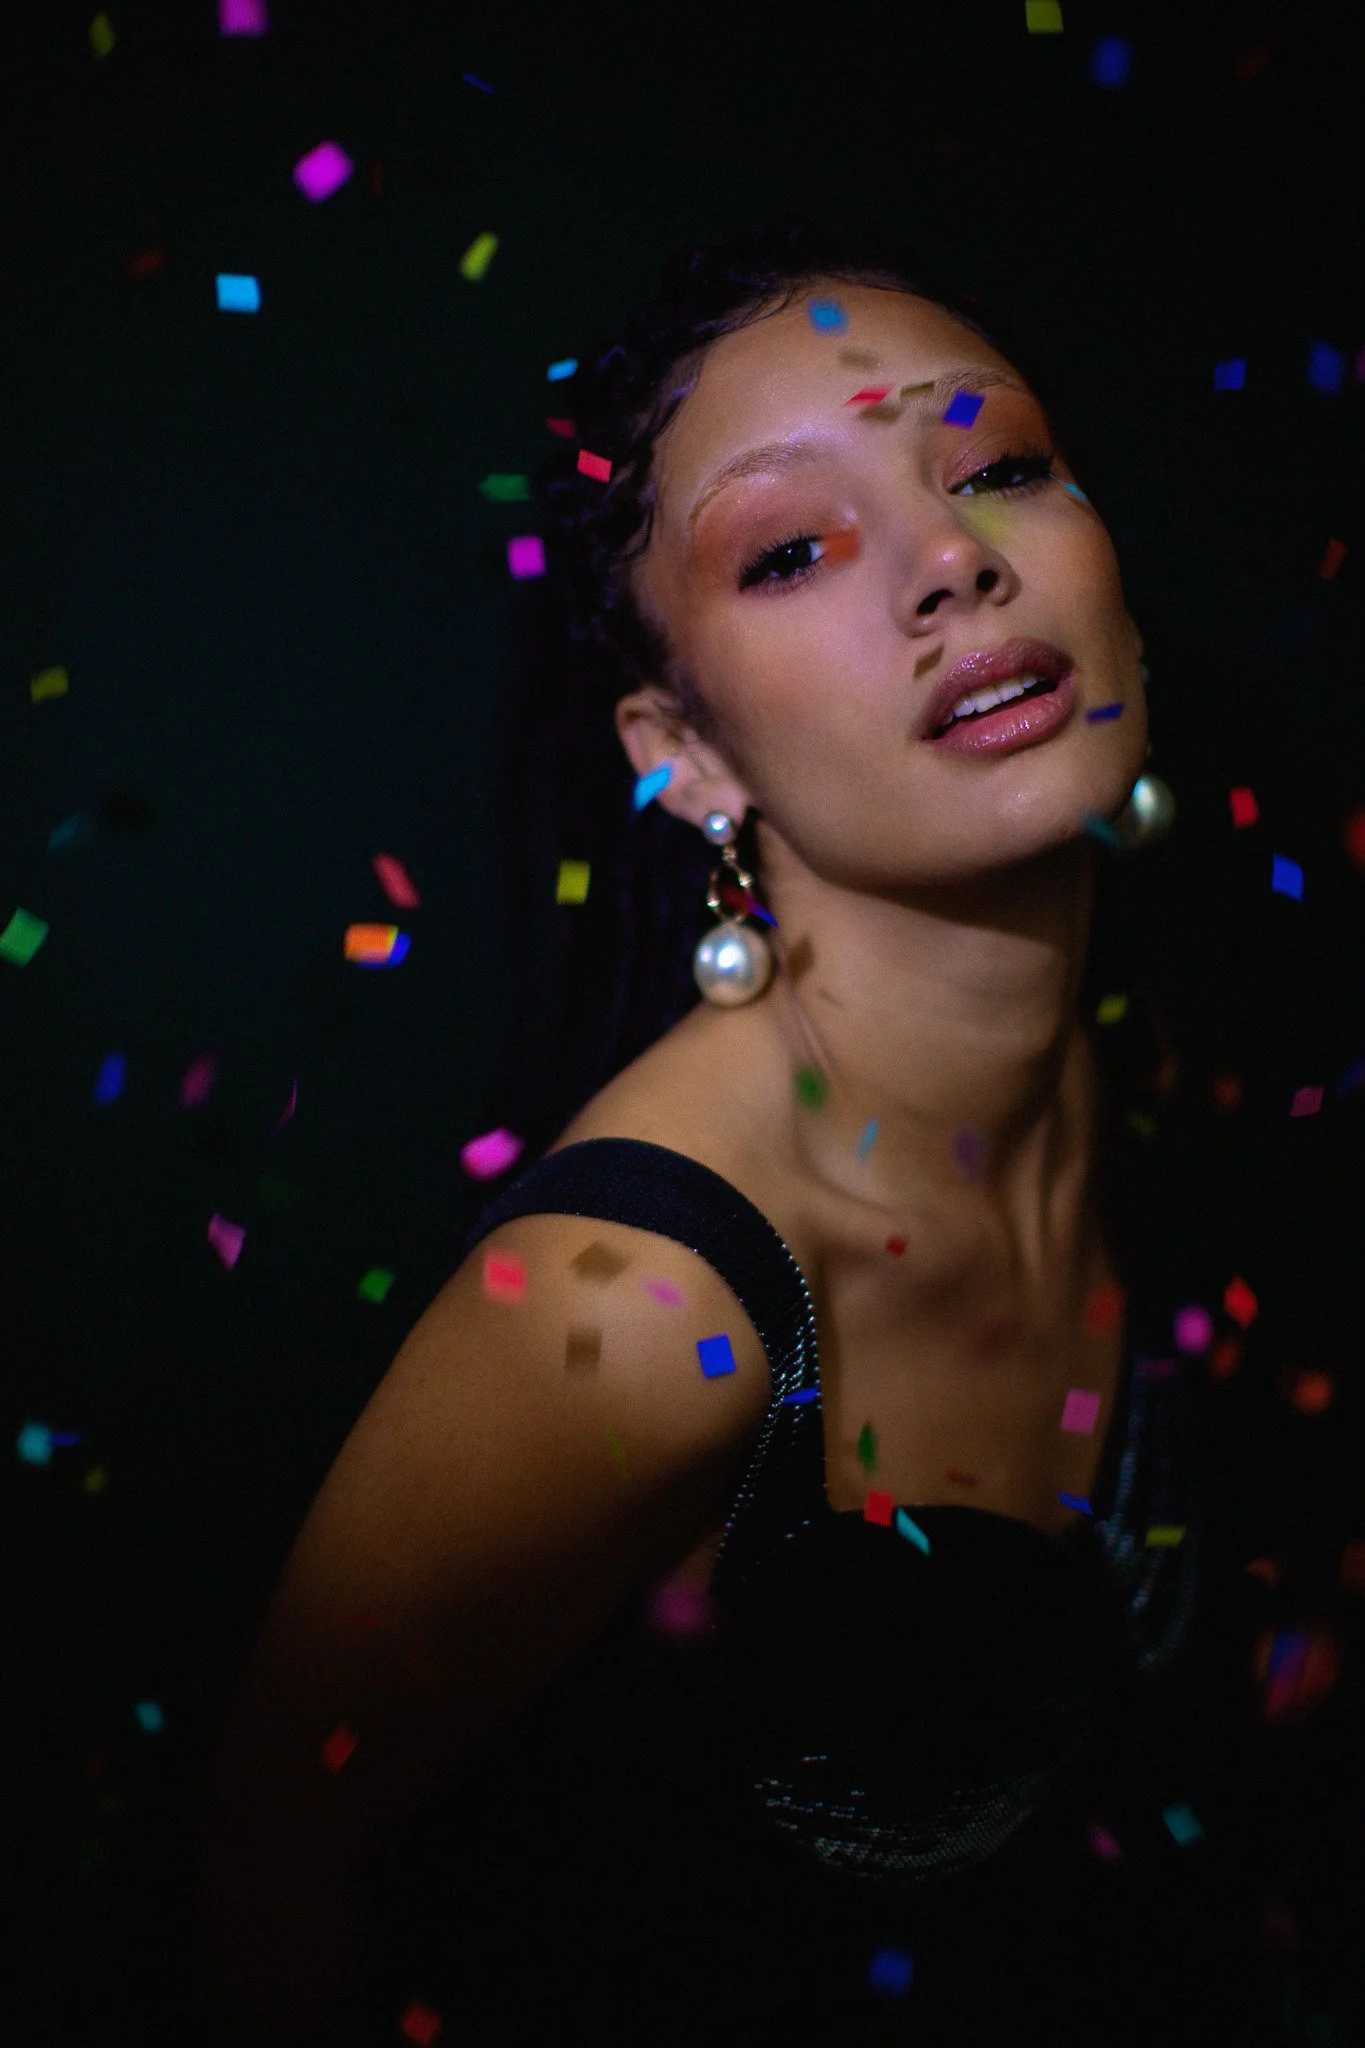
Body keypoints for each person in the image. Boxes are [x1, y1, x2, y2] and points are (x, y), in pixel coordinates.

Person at [197, 227, 1278, 2046]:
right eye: (790, 550)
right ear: (683, 756)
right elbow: (261, 1884)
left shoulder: (1156, 1063)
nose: (953, 563)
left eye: (997, 466)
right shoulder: (629, 1305)